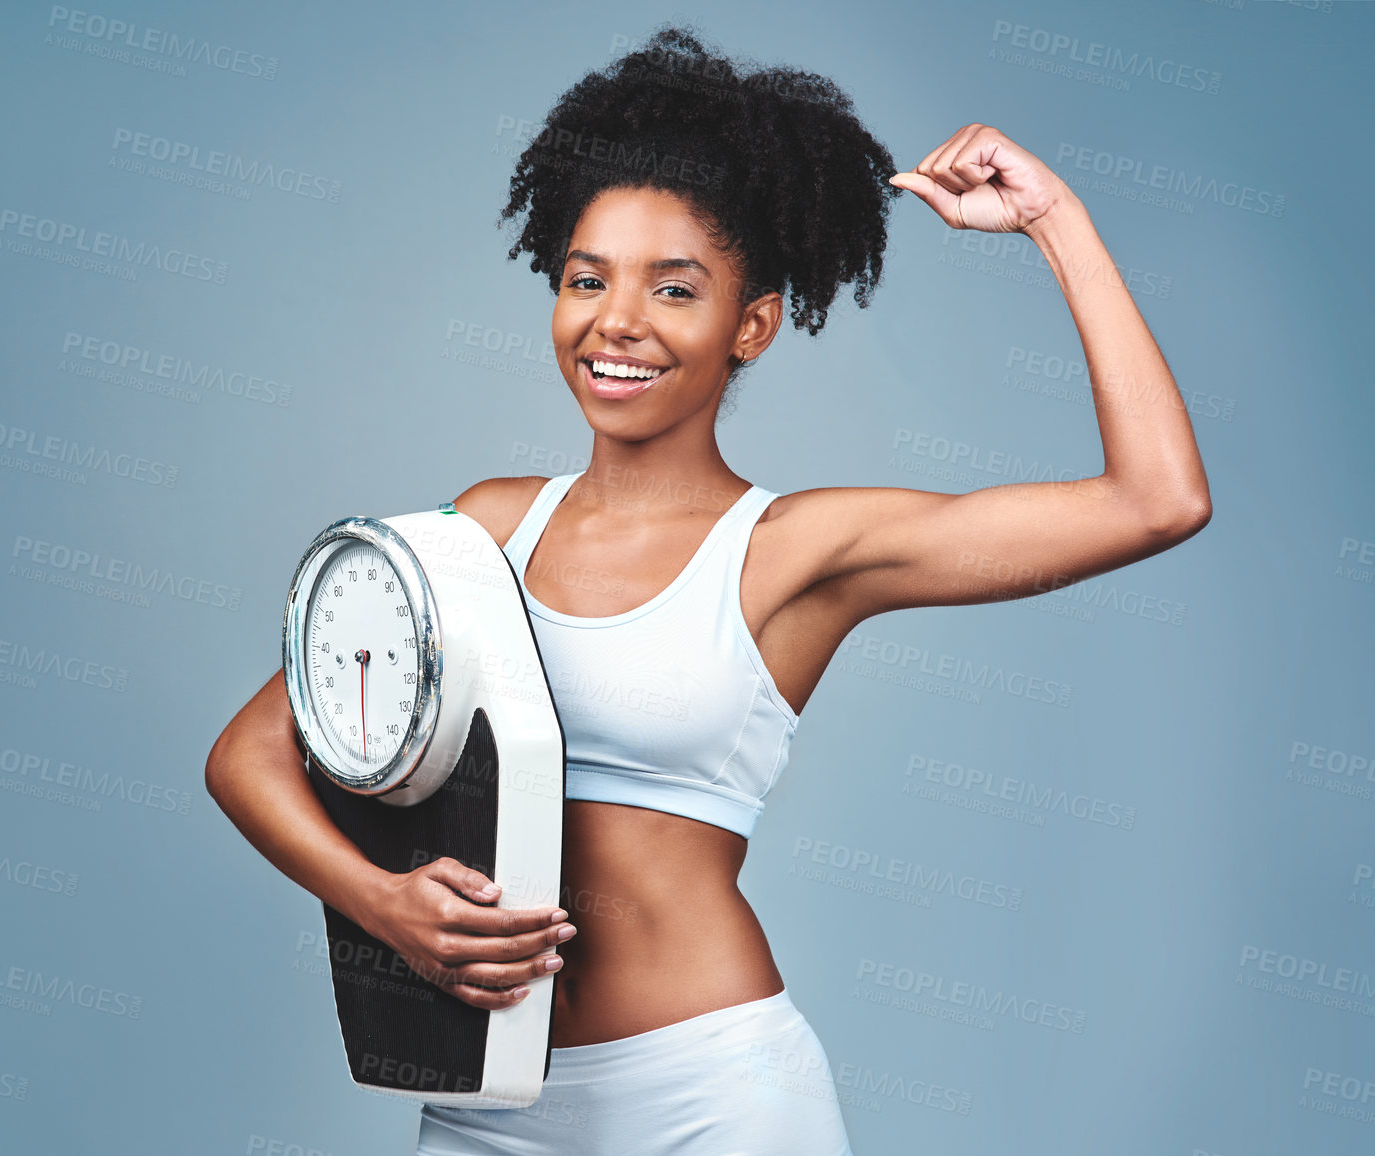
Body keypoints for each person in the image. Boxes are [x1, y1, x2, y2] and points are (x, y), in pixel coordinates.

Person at [205, 25, 1211, 1156]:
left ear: (753, 325)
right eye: (587, 279)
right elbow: (247, 754)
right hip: (488, 1101)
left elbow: (1157, 500)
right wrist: (383, 906)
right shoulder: (485, 526)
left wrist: (1054, 220)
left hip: (712, 1099)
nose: (616, 321)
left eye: (672, 289)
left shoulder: (793, 550)